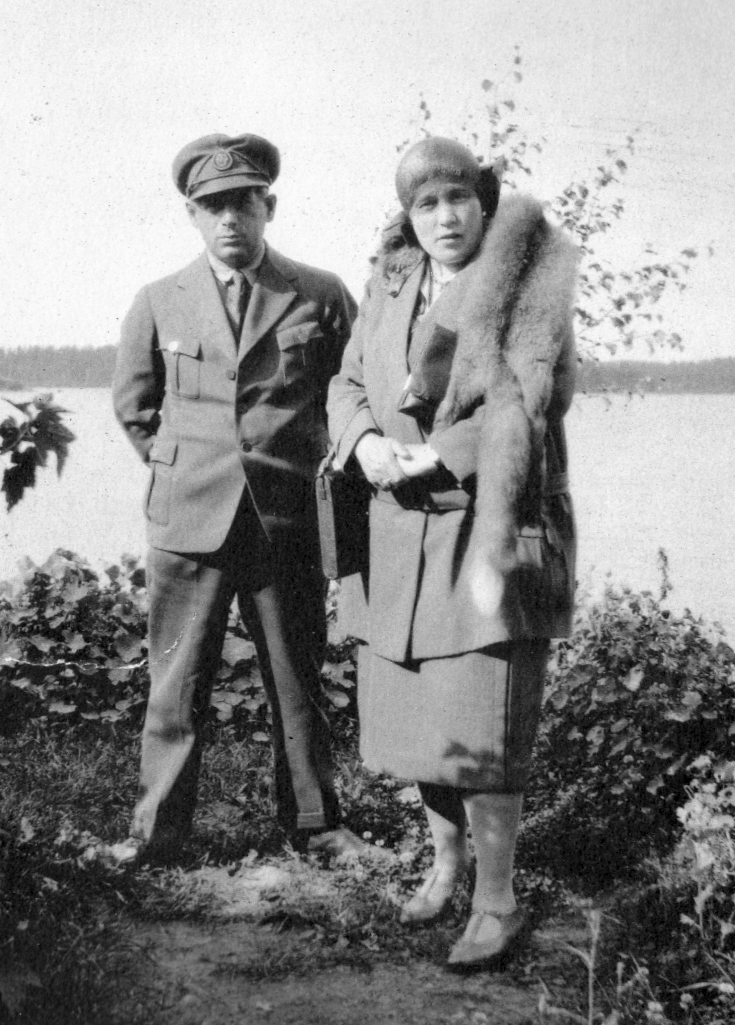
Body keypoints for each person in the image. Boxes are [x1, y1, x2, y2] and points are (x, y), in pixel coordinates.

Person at [326, 137, 578, 969]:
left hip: (487, 525)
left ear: (483, 201)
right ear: (408, 215)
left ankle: (496, 899)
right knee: (420, 714)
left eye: (458, 199)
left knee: (483, 715)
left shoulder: (528, 284)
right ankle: (445, 867)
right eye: (425, 204)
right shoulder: (392, 282)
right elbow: (347, 381)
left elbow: (529, 397)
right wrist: (364, 443)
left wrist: (438, 454)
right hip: (399, 530)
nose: (444, 217)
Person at [112, 132, 366, 863]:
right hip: (189, 517)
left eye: (243, 203)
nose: (229, 218)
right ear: (192, 215)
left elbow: (350, 395)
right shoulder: (159, 300)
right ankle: (157, 836)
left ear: (268, 207)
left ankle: (316, 826)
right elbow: (135, 407)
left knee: (298, 680)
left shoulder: (319, 294)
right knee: (176, 680)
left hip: (286, 518)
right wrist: (186, 470)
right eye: (213, 206)